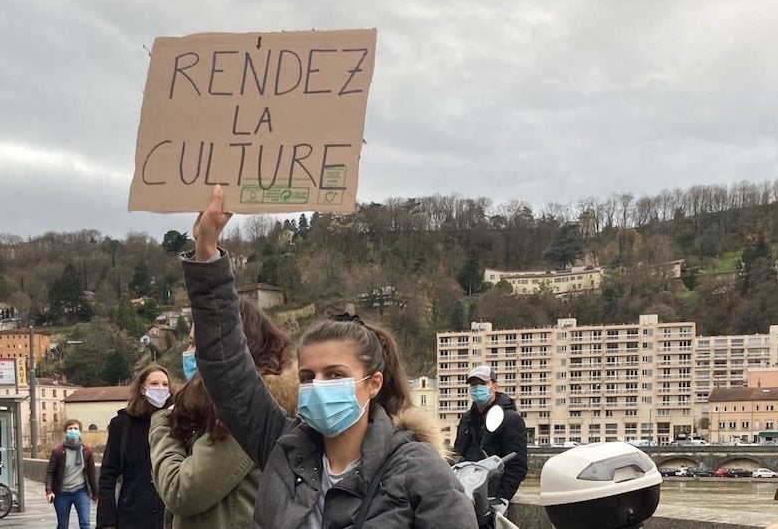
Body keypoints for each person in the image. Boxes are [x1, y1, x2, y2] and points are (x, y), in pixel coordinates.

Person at [181, 186, 478, 528]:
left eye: (335, 375)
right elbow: (227, 369)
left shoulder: (419, 469)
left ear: (373, 384)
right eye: (307, 377)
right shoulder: (284, 448)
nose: (317, 386)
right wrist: (206, 254)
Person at [148, 300, 299, 529]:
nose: (190, 353)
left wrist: (162, 425)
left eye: (197, 344)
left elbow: (181, 491)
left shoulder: (248, 410)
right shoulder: (218, 404)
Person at [96, 365, 173, 529]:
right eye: (154, 384)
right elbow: (108, 475)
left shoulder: (177, 422)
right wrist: (107, 521)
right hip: (133, 516)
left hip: (171, 516)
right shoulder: (122, 424)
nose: (161, 388)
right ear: (143, 389)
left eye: (165, 384)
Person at [454, 365, 528, 512]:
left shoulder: (510, 419)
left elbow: (517, 464)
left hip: (491, 496)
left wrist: (502, 497)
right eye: (473, 385)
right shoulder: (466, 419)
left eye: (482, 384)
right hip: (466, 495)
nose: (477, 388)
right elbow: (458, 454)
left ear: (494, 386)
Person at [46, 419, 98, 529]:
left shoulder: (86, 451)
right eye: (70, 429)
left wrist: (95, 494)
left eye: (76, 428)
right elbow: (50, 472)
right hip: (62, 493)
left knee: (85, 523)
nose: (73, 431)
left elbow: (91, 473)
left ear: (80, 431)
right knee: (63, 525)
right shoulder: (58, 451)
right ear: (66, 432)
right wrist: (49, 491)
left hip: (81, 491)